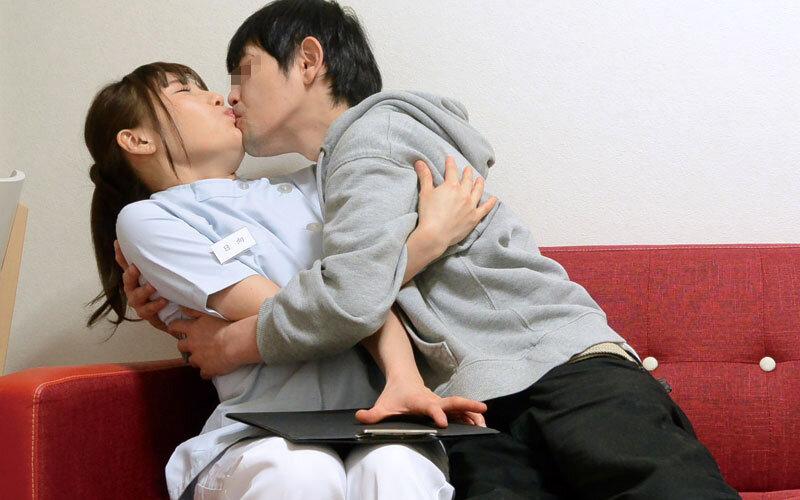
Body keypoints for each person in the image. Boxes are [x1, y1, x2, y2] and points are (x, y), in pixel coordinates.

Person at [123, 1, 741, 498]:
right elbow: (325, 278)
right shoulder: (319, 180)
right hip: (476, 397)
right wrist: (169, 305)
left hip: (549, 367)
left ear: (308, 61)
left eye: (244, 71)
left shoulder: (369, 141)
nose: (231, 95)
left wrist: (236, 342)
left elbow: (348, 295)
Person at [85, 61, 495, 499]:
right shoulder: (149, 219)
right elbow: (327, 305)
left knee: (394, 468)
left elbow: (351, 291)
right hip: (258, 434)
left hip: (376, 418)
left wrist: (405, 380)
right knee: (301, 471)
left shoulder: (316, 183)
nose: (218, 96)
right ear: (137, 140)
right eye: (185, 90)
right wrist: (421, 244)